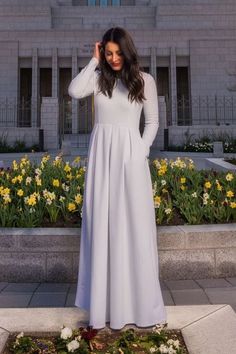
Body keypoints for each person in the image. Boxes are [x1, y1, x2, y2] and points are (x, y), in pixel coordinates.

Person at [68, 27, 167, 330]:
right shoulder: (98, 79)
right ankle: (106, 306)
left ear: (128, 51)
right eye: (108, 53)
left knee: (134, 227)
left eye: (117, 52)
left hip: (131, 159)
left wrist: (141, 150)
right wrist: (92, 61)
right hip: (102, 161)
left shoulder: (144, 81)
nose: (113, 58)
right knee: (102, 227)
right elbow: (74, 91)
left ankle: (139, 306)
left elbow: (152, 122)